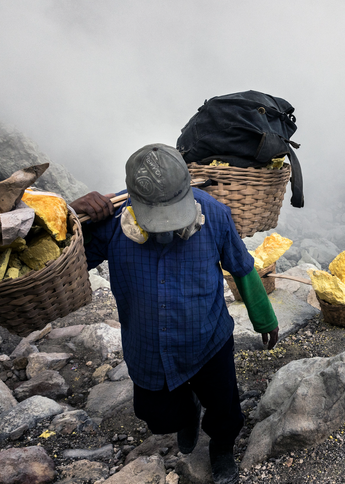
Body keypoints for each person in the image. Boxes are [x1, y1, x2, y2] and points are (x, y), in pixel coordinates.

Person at [70, 143, 279, 484]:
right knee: (159, 419)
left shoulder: (214, 214)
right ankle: (187, 410)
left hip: (208, 338)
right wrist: (72, 217)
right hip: (149, 347)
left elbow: (242, 267)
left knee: (225, 408)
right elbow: (67, 266)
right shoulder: (111, 223)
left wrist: (264, 318)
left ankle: (222, 447)